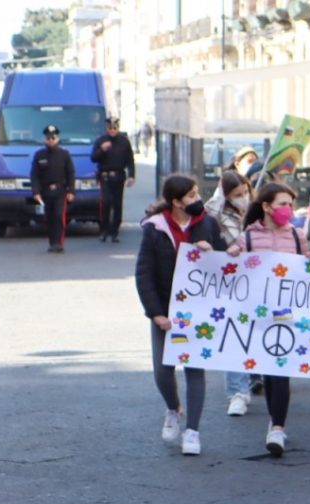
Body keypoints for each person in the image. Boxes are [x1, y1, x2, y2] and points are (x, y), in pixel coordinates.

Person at [135, 174, 227, 456]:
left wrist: (211, 252)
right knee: (162, 372)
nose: (197, 199)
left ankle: (193, 431)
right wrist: (155, 313)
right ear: (176, 202)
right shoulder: (155, 229)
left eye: (197, 193)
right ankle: (173, 408)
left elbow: (227, 263)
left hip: (199, 311)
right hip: (166, 310)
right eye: (191, 196)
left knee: (195, 370)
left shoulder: (208, 224)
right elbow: (144, 273)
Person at [239, 182, 310, 457]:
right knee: (269, 369)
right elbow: (234, 267)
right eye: (282, 204)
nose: (288, 210)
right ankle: (274, 421)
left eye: (291, 205)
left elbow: (309, 265)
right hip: (259, 313)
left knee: (280, 370)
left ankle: (277, 427)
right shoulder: (248, 237)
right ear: (266, 206)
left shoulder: (296, 234)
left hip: (289, 313)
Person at [206, 171, 256, 416]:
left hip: (257, 279)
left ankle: (249, 381)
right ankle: (237, 391)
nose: (243, 198)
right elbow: (208, 215)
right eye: (237, 195)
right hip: (230, 280)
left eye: (245, 193)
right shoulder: (216, 213)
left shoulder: (255, 211)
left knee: (253, 333)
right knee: (234, 333)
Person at [30, 124, 75, 254]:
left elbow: (70, 173)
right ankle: (52, 242)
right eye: (48, 138)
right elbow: (34, 175)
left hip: (60, 191)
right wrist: (36, 192)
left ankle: (59, 243)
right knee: (49, 218)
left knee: (59, 216)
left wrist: (71, 191)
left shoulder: (64, 154)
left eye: (53, 137)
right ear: (45, 139)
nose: (50, 140)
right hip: (46, 192)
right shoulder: (39, 155)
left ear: (58, 138)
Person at [90, 115, 136, 243]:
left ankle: (114, 231)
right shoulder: (101, 141)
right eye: (110, 128)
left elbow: (130, 160)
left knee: (117, 205)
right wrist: (102, 150)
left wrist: (132, 175)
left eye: (114, 128)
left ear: (118, 128)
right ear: (106, 128)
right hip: (105, 176)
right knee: (106, 202)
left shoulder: (124, 141)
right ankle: (104, 230)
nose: (112, 130)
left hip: (119, 176)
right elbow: (93, 158)